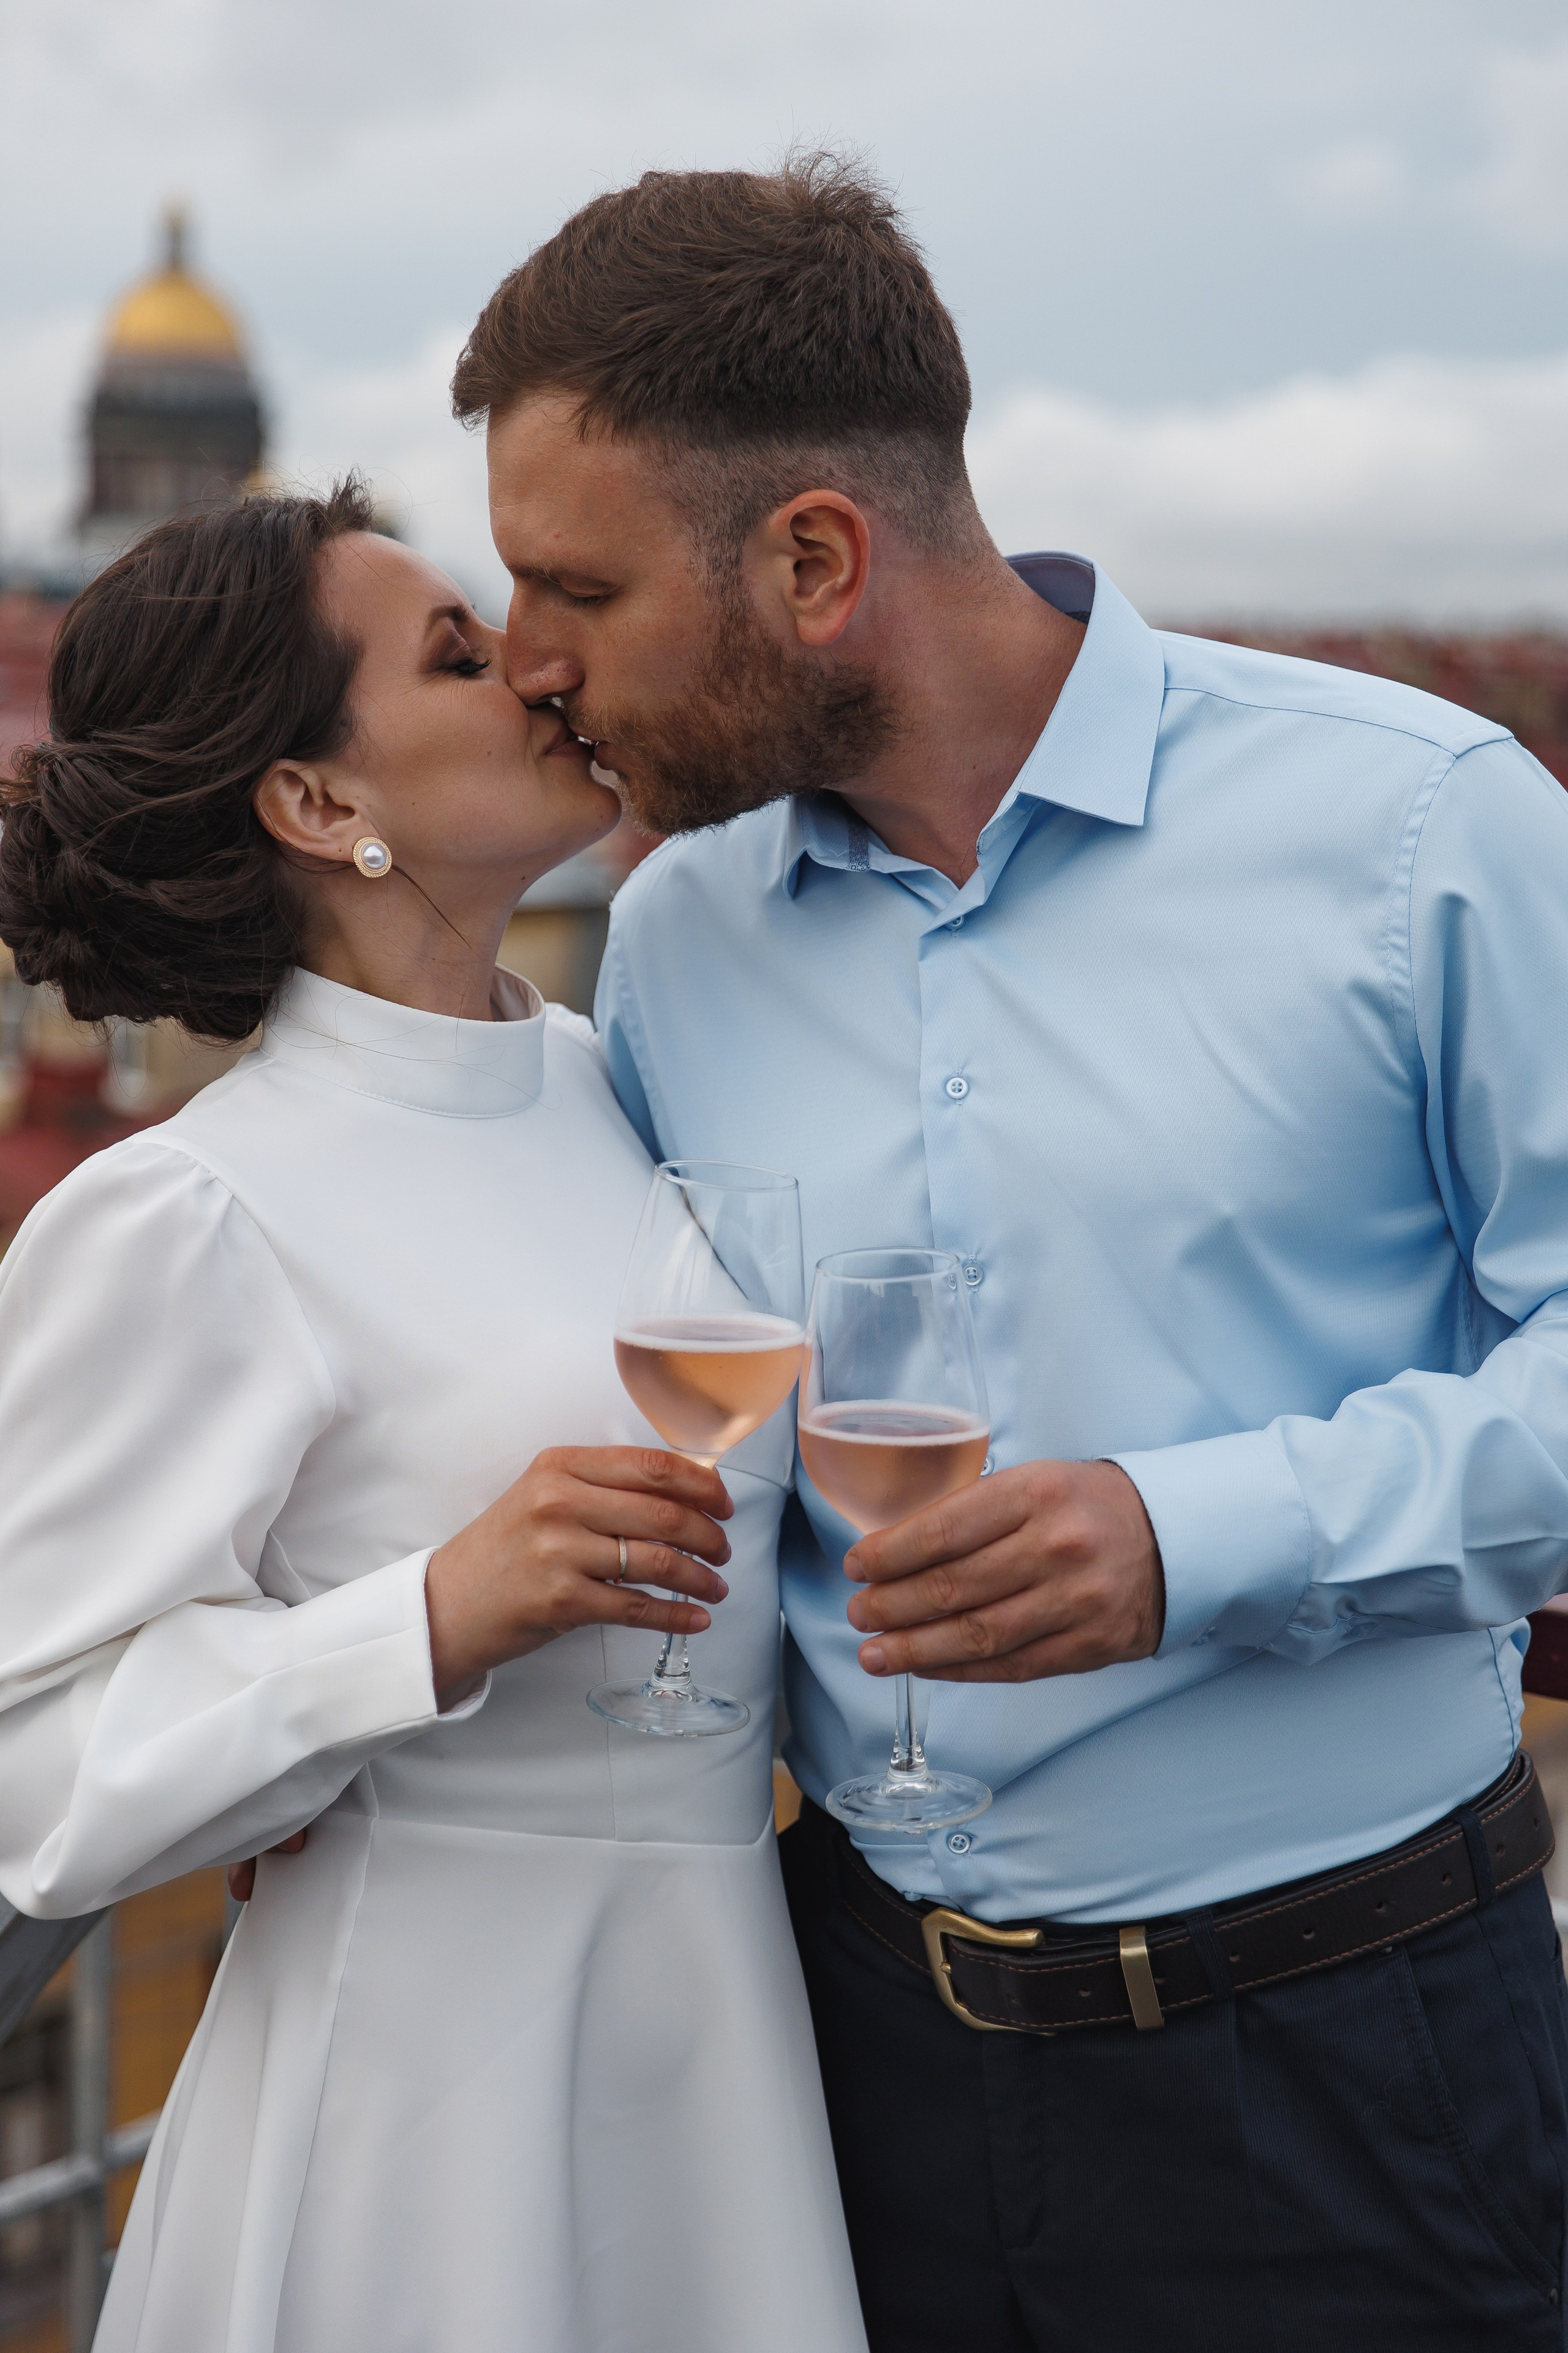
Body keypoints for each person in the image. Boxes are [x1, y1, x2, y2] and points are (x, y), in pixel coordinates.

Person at [452, 157, 1568, 2349]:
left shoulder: (1429, 827)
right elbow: (680, 1433)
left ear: (812, 558)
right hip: (844, 2062)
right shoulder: (673, 934)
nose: (530, 667)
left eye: (570, 586)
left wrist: (1192, 1531)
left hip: (1343, 2063)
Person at [0, 484, 867, 2353]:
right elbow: (33, 1766)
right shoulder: (189, 1211)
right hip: (424, 2074)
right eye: (461, 655)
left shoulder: (606, 1074)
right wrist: (429, 1615)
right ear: (321, 807)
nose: (539, 669)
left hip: (722, 2015)